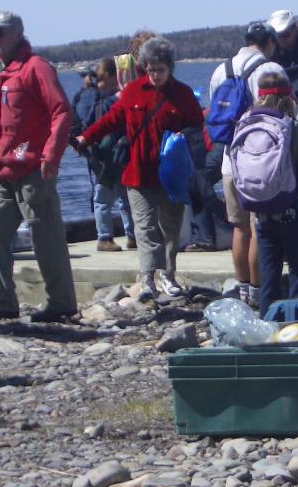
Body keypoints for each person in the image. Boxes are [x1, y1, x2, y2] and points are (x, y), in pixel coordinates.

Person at [78, 37, 204, 299]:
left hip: (172, 176)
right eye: (151, 69)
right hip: (137, 174)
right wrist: (85, 138)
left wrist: (186, 142)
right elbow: (111, 120)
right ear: (144, 67)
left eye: (161, 70)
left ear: (170, 68)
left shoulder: (183, 94)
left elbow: (197, 128)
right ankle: (147, 278)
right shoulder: (133, 91)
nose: (155, 75)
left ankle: (168, 275)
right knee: (145, 228)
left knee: (170, 229)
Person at [0, 11, 78, 322]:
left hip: (33, 170)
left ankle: (61, 303)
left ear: (17, 34)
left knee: (46, 238)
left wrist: (51, 156)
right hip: (1, 171)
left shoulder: (36, 68)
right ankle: (2, 303)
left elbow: (61, 111)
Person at [208, 22, 285, 306]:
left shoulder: (221, 70)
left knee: (240, 228)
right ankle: (257, 289)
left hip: (230, 161)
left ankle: (241, 289)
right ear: (269, 42)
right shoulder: (270, 70)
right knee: (259, 228)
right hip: (259, 163)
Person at [238, 72, 298, 316]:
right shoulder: (290, 126)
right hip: (292, 208)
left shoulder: (245, 124)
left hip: (260, 210)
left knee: (269, 275)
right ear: (289, 97)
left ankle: (268, 324)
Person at [72, 58, 135, 252]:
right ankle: (111, 236)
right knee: (112, 195)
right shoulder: (101, 98)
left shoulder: (83, 96)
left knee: (113, 195)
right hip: (108, 152)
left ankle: (121, 235)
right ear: (108, 76)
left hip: (102, 151)